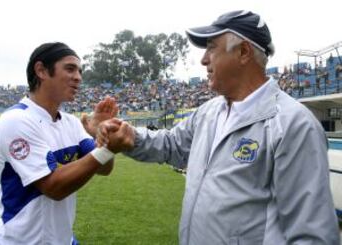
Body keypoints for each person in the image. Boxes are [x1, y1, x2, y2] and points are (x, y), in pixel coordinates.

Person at [99, 10, 340, 244]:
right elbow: (171, 145)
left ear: (243, 52)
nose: (203, 59)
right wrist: (131, 136)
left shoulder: (293, 125)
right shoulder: (208, 112)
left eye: (212, 47)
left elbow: (312, 235)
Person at [0, 42, 121, 245]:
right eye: (70, 69)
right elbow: (54, 187)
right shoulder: (16, 120)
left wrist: (103, 137)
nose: (78, 77)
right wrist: (108, 149)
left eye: (79, 71)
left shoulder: (70, 122)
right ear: (41, 70)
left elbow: (104, 168)